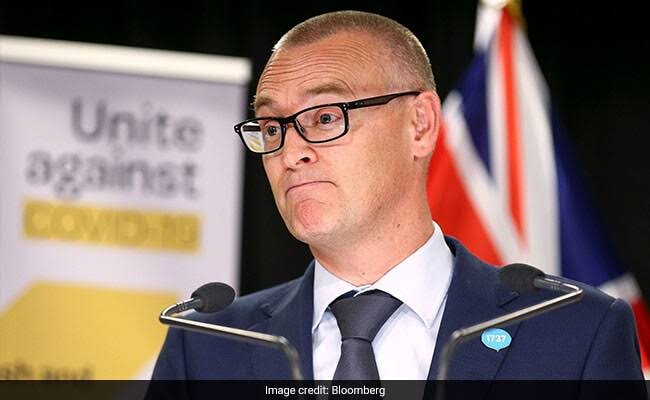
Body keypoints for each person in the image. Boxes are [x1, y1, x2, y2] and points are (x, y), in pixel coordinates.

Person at [151, 10, 643, 382]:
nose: (291, 152)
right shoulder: (209, 344)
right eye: (272, 126)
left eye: (325, 117)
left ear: (420, 125)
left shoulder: (575, 330)